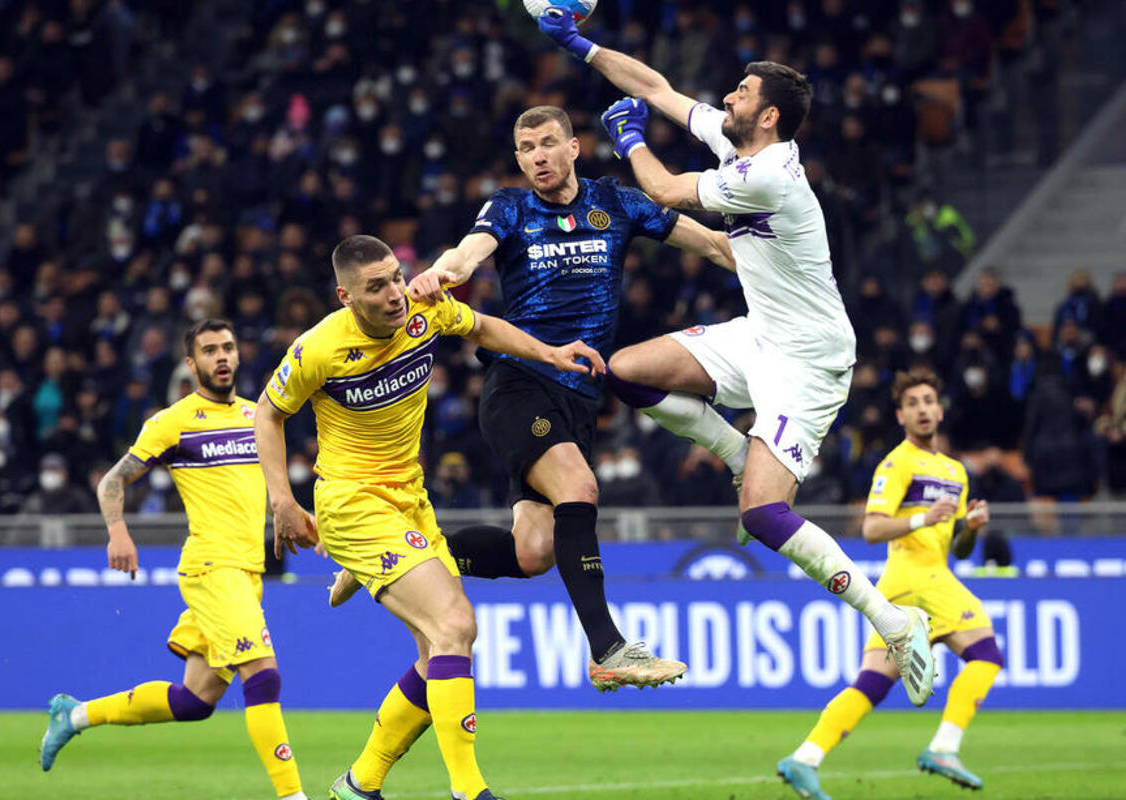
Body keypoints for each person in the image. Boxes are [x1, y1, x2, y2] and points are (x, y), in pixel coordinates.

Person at [537, 7, 936, 705]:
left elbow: (663, 189)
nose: (727, 97)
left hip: (808, 360)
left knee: (762, 516)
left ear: (770, 116)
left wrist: (629, 139)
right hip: (761, 334)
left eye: (742, 93)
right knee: (625, 371)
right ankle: (733, 450)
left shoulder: (769, 176)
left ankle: (894, 622)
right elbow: (657, 88)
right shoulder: (737, 142)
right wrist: (580, 43)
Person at [379, 104, 733, 692]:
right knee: (579, 487)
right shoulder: (511, 207)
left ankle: (393, 554)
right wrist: (440, 272)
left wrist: (783, 275)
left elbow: (715, 245)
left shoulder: (615, 202)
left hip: (577, 400)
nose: (538, 157)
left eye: (547, 144)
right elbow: (467, 253)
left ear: (574, 147)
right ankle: (609, 649)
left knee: (534, 552)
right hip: (520, 384)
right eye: (526, 149)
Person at [255, 235, 605, 800]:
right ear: (346, 297)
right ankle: (469, 790)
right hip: (352, 503)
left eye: (397, 276)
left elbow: (483, 328)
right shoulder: (318, 348)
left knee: (436, 650)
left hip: (410, 499)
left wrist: (551, 353)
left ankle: (359, 784)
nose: (395, 293)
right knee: (456, 625)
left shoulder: (424, 308)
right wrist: (282, 501)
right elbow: (268, 414)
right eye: (376, 287)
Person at [38, 319, 309, 800]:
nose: (221, 356)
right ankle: (293, 796)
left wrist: (296, 517)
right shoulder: (173, 422)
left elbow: (267, 490)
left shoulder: (259, 416)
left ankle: (74, 715)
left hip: (246, 572)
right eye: (210, 350)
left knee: (194, 701)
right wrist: (118, 532)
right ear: (191, 363)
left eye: (228, 347)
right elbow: (112, 481)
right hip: (212, 568)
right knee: (263, 675)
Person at [777, 368, 1000, 798]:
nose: (922, 410)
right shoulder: (896, 464)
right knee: (986, 655)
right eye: (912, 404)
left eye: (928, 401)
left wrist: (971, 528)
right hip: (915, 578)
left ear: (940, 410)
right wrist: (922, 518)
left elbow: (960, 548)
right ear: (900, 416)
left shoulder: (955, 471)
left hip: (923, 579)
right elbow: (872, 528)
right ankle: (944, 748)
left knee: (873, 683)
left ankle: (805, 758)